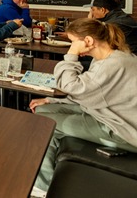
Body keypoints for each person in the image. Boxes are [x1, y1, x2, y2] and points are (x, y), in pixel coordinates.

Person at [29, 18, 137, 195]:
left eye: (73, 42)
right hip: (108, 114)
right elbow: (92, 94)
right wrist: (51, 101)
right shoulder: (112, 57)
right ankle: (50, 169)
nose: (73, 46)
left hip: (122, 130)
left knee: (45, 122)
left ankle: (43, 186)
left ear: (88, 41)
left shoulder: (112, 65)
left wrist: (71, 54)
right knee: (42, 110)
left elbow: (69, 85)